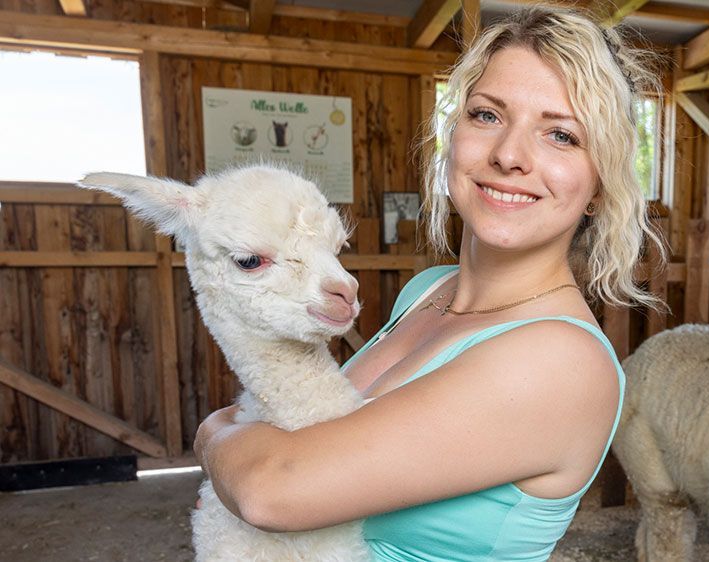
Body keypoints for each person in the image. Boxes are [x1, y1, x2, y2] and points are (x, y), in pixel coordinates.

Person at [194, 7, 665, 561]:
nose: (509, 155)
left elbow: (271, 490)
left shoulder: (562, 360)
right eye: (487, 115)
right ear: (453, 137)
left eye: (561, 134)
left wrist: (213, 434)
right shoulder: (428, 290)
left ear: (599, 188)